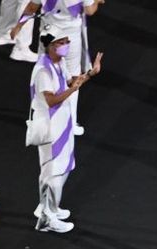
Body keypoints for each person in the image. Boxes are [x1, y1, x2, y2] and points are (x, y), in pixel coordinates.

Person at [28, 28, 103, 233]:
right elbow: (51, 99)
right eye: (63, 42)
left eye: (67, 41)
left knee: (65, 167)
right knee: (53, 173)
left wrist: (90, 73)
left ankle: (49, 207)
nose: (67, 45)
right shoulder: (43, 71)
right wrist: (72, 90)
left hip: (63, 124)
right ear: (51, 45)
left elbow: (71, 81)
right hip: (50, 128)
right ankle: (47, 218)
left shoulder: (58, 63)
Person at [12, 0, 104, 134]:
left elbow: (31, 7)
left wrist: (18, 26)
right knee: (74, 78)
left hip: (48, 36)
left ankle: (39, 121)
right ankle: (70, 123)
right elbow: (90, 11)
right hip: (71, 38)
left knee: (44, 76)